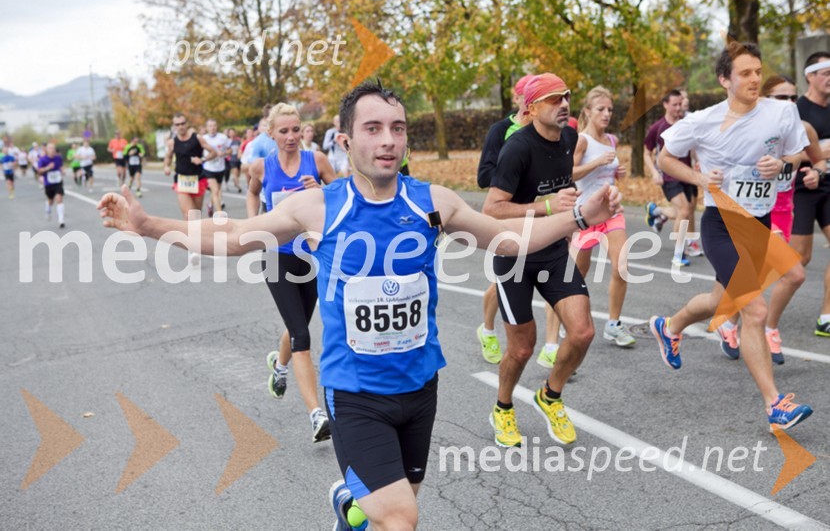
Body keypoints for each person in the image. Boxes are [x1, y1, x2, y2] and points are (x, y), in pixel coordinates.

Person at [98, 79, 621, 531]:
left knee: (393, 507)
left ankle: (349, 502)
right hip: (355, 393)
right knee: (400, 519)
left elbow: (509, 239)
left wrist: (581, 216)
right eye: (373, 128)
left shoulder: (432, 201)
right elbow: (233, 234)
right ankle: (361, 499)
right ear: (347, 141)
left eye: (397, 128)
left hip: (419, 386)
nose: (388, 140)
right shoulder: (318, 206)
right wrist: (147, 226)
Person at [650, 41, 814, 432]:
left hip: (757, 222)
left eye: (758, 71)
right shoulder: (703, 120)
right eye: (745, 73)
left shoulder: (782, 112)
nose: (755, 78)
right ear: (725, 80)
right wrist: (699, 177)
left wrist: (783, 164)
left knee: (717, 302)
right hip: (722, 225)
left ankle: (669, 327)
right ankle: (775, 405)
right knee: (754, 311)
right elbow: (664, 158)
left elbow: (798, 156)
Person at [483, 73, 595, 448]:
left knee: (582, 332)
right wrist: (545, 207)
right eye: (552, 99)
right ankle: (502, 407)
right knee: (522, 347)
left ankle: (550, 394)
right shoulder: (517, 147)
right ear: (531, 109)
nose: (563, 104)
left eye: (565, 96)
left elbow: (560, 187)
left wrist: (566, 213)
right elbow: (492, 208)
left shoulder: (569, 139)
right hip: (514, 254)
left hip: (551, 252)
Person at [715, 75, 825, 364]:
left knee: (756, 277)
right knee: (795, 273)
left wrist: (817, 173)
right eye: (781, 98)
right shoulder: (748, 129)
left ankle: (728, 323)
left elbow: (818, 160)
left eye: (792, 98)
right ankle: (768, 328)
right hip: (753, 213)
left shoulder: (804, 129)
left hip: (783, 212)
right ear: (763, 99)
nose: (789, 104)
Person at [247, 103, 337, 442]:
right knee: (302, 335)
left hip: (311, 256)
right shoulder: (261, 167)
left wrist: (321, 191)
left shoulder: (318, 161)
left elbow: (346, 199)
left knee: (296, 323)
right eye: (283, 131)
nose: (290, 137)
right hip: (276, 256)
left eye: (295, 130)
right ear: (271, 133)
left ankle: (279, 368)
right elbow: (253, 194)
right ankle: (317, 415)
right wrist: (255, 225)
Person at [475, 73, 535, 364]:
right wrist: (513, 166)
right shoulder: (501, 130)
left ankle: (551, 347)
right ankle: (487, 330)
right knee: (507, 279)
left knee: (530, 278)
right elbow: (483, 176)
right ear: (518, 98)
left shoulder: (547, 130)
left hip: (538, 215)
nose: (531, 101)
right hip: (507, 214)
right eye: (528, 94)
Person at [571, 86, 636, 346]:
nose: (606, 114)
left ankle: (613, 324)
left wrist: (616, 172)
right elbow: (570, 174)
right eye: (600, 109)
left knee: (622, 267)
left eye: (609, 109)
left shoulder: (611, 140)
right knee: (577, 275)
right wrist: (596, 163)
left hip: (611, 211)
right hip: (586, 214)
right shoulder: (582, 140)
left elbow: (608, 173)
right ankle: (570, 321)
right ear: (587, 111)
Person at [791, 51, 830, 336]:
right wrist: (815, 154)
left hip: (828, 186)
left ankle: (826, 317)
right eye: (826, 73)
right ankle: (735, 303)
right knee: (798, 260)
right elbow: (782, 152)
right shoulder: (796, 110)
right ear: (810, 76)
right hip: (801, 190)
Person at [644, 90, 702, 266]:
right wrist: (654, 172)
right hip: (669, 176)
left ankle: (657, 212)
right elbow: (647, 153)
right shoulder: (658, 127)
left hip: (687, 174)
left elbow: (692, 147)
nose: (678, 108)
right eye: (675, 105)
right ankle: (678, 254)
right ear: (665, 105)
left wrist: (698, 162)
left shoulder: (686, 124)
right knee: (684, 210)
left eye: (680, 104)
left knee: (688, 210)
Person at [163, 113, 219, 265]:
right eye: (177, 124)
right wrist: (167, 166)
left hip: (197, 180)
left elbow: (214, 152)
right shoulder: (172, 142)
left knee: (196, 216)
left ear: (186, 123)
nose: (180, 127)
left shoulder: (198, 138)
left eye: (182, 123)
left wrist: (201, 159)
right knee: (189, 215)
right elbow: (168, 156)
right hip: (181, 181)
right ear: (174, 126)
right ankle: (193, 250)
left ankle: (196, 244)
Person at [202, 119, 230, 217]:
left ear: (216, 126)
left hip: (220, 168)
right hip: (208, 168)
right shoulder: (203, 138)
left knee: (216, 190)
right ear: (207, 128)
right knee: (216, 191)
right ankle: (219, 214)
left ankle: (210, 205)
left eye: (214, 125)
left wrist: (225, 153)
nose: (212, 128)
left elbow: (230, 150)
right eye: (210, 126)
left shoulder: (223, 137)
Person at [37, 143, 66, 228]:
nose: (52, 150)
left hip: (58, 182)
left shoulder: (58, 158)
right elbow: (39, 171)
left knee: (59, 199)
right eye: (50, 148)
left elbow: (61, 166)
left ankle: (61, 220)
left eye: (53, 148)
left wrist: (63, 171)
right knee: (51, 201)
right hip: (48, 183)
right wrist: (48, 168)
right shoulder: (43, 159)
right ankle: (48, 207)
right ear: (47, 150)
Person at [227, 129, 243, 193]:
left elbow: (241, 148)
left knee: (238, 174)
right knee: (235, 173)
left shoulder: (238, 140)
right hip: (232, 159)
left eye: (233, 132)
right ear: (228, 134)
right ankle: (239, 186)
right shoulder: (227, 141)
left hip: (238, 159)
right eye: (230, 133)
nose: (232, 134)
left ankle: (235, 180)